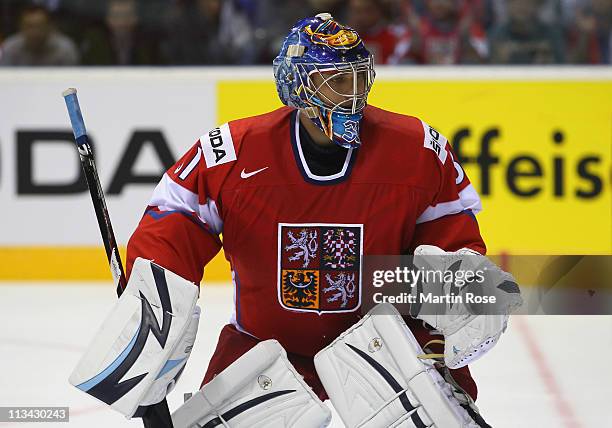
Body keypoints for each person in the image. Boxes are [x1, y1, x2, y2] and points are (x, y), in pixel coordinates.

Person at [126, 12, 514, 426]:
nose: (356, 93)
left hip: (387, 343)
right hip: (264, 347)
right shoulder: (231, 154)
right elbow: (170, 229)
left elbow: (454, 244)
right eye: (338, 80)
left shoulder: (416, 149)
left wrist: (467, 291)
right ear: (298, 85)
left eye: (360, 77)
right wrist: (152, 309)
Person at [0, 4, 79, 66]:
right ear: (21, 27)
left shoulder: (65, 50)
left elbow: (71, 81)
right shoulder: (10, 48)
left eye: (39, 26)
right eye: (29, 26)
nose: (34, 32)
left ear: (50, 27)